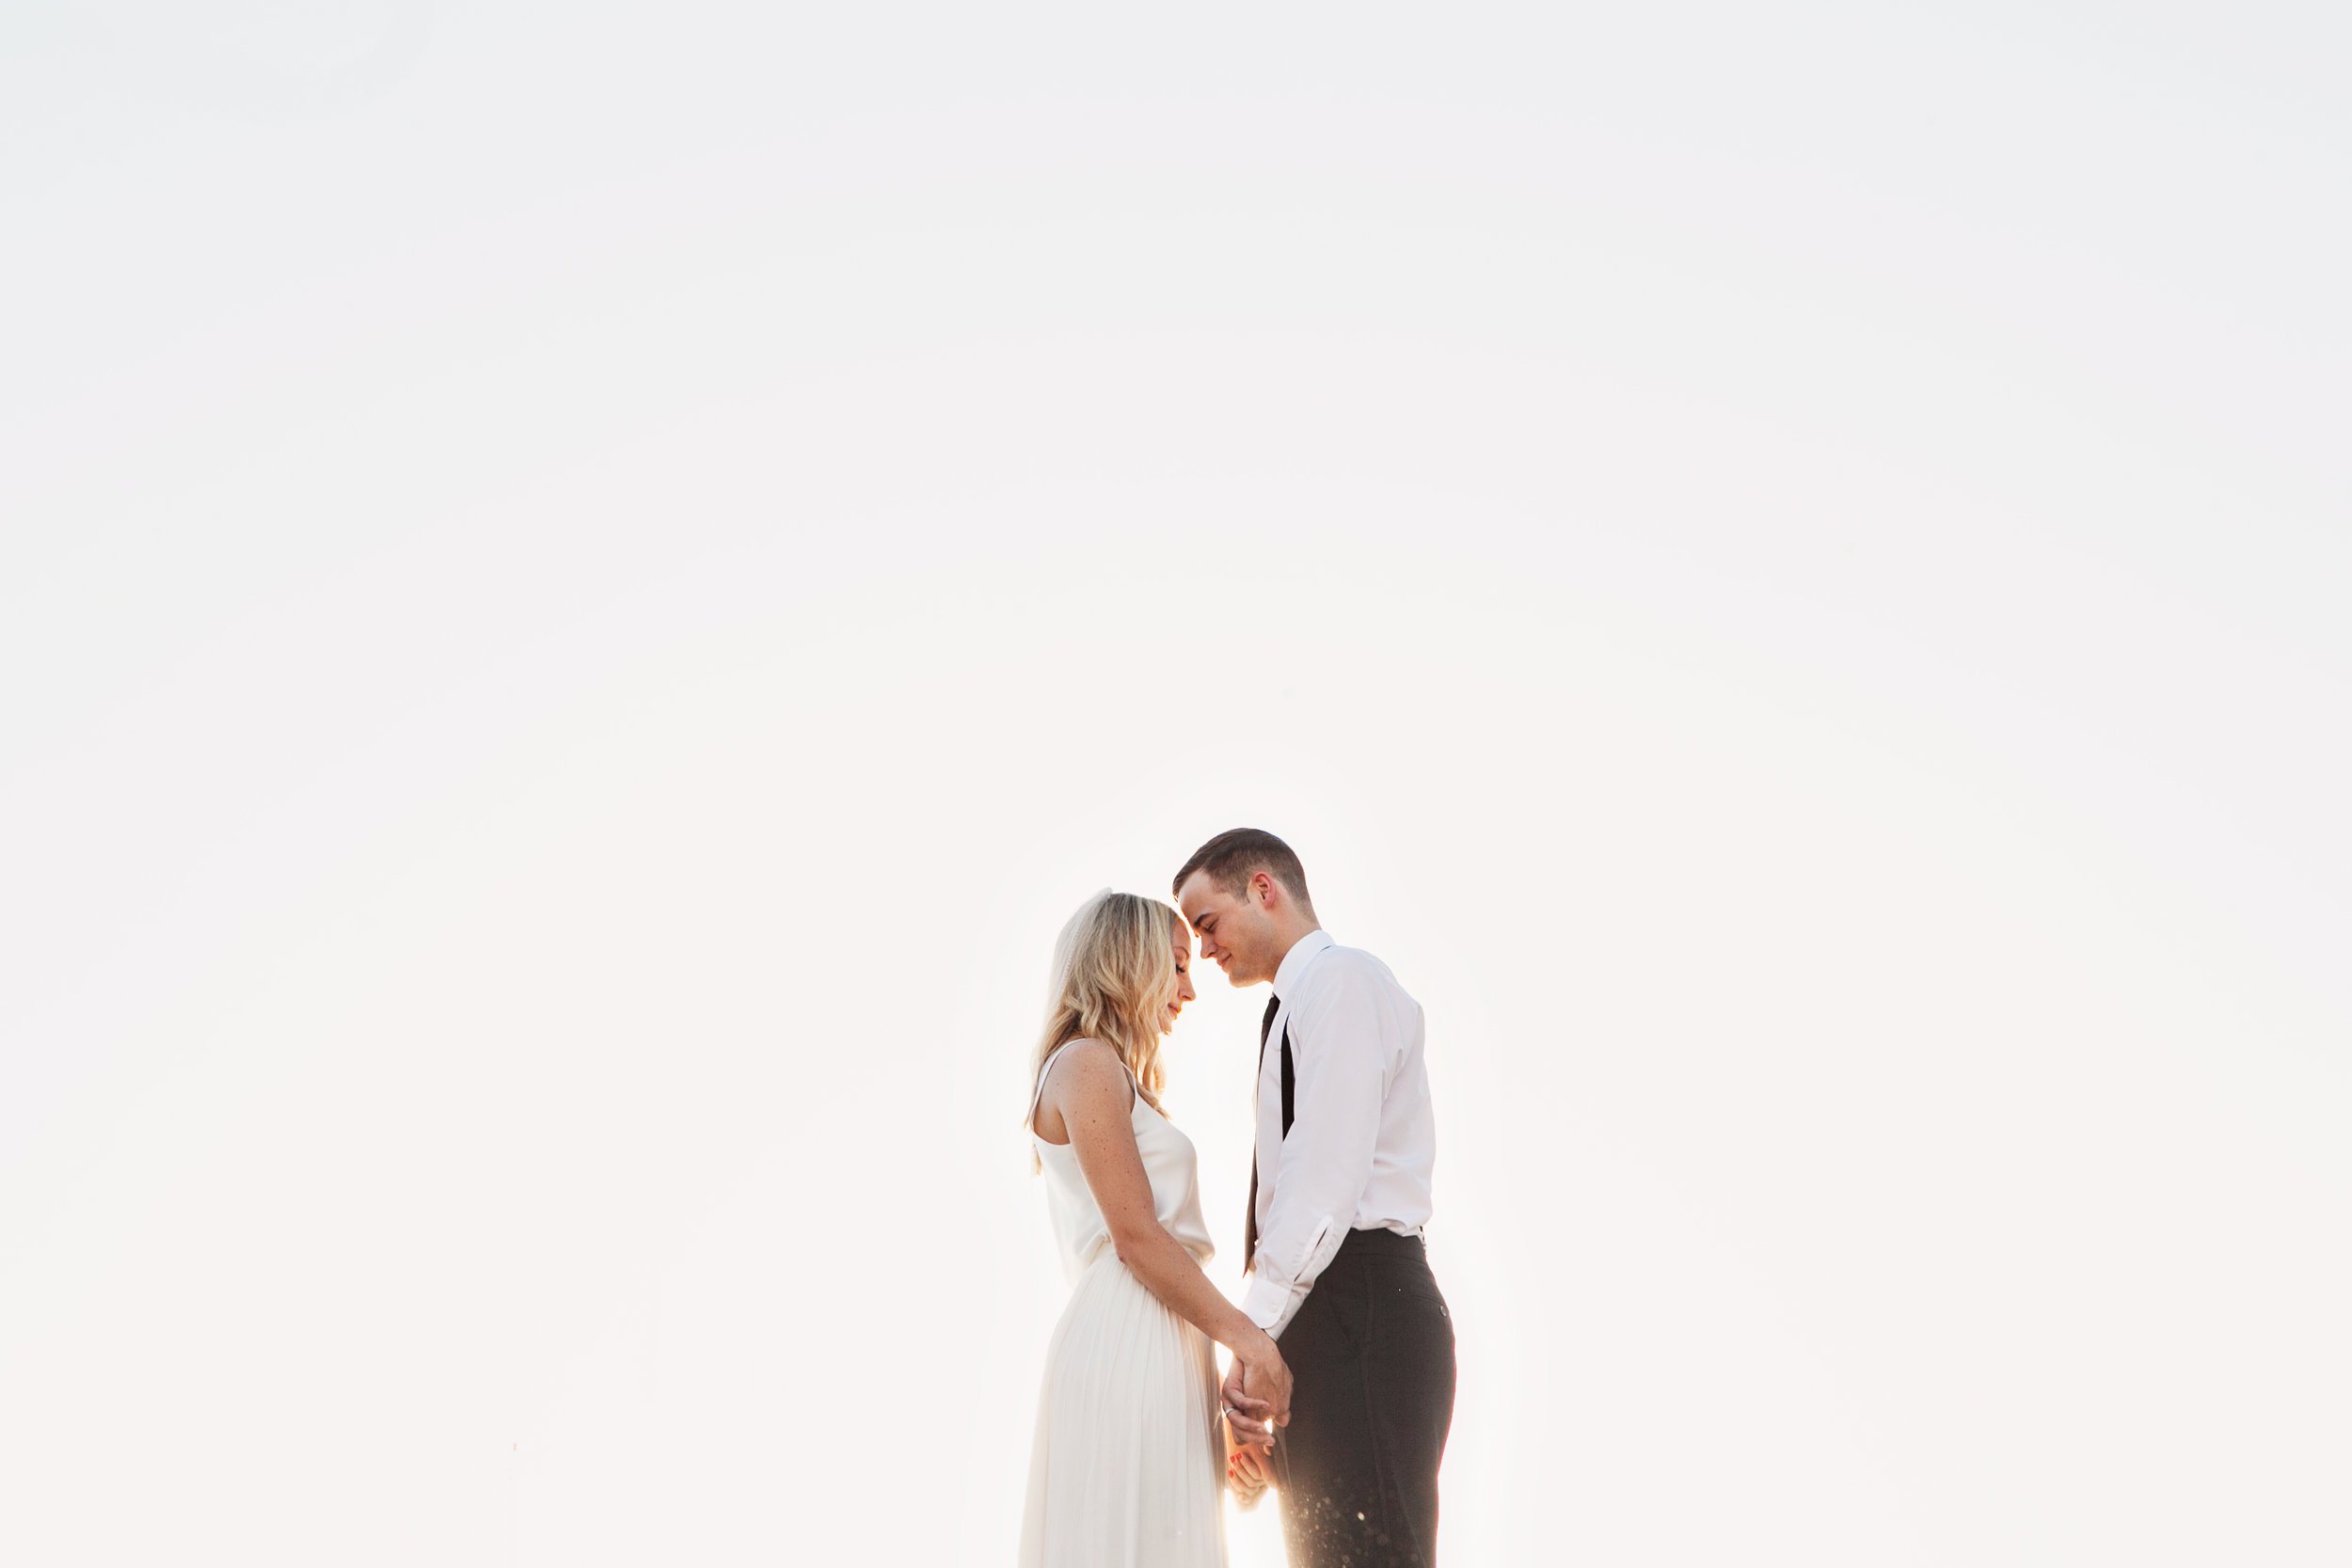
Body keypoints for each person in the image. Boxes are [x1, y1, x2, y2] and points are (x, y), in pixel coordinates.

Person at [1174, 831, 1455, 1568]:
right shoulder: (1298, 1006)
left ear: (1263, 888)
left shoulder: (1340, 983)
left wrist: (1249, 1338)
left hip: (1361, 1301)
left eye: (1208, 923)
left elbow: (1323, 1181)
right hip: (1328, 1317)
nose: (1204, 949)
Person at [1018, 891, 1295, 1568]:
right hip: (1129, 1328)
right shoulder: (1085, 1061)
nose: (1189, 990)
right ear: (1126, 961)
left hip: (1164, 1330)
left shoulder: (1115, 1075)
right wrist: (1251, 1343)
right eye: (1175, 965)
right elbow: (1136, 1236)